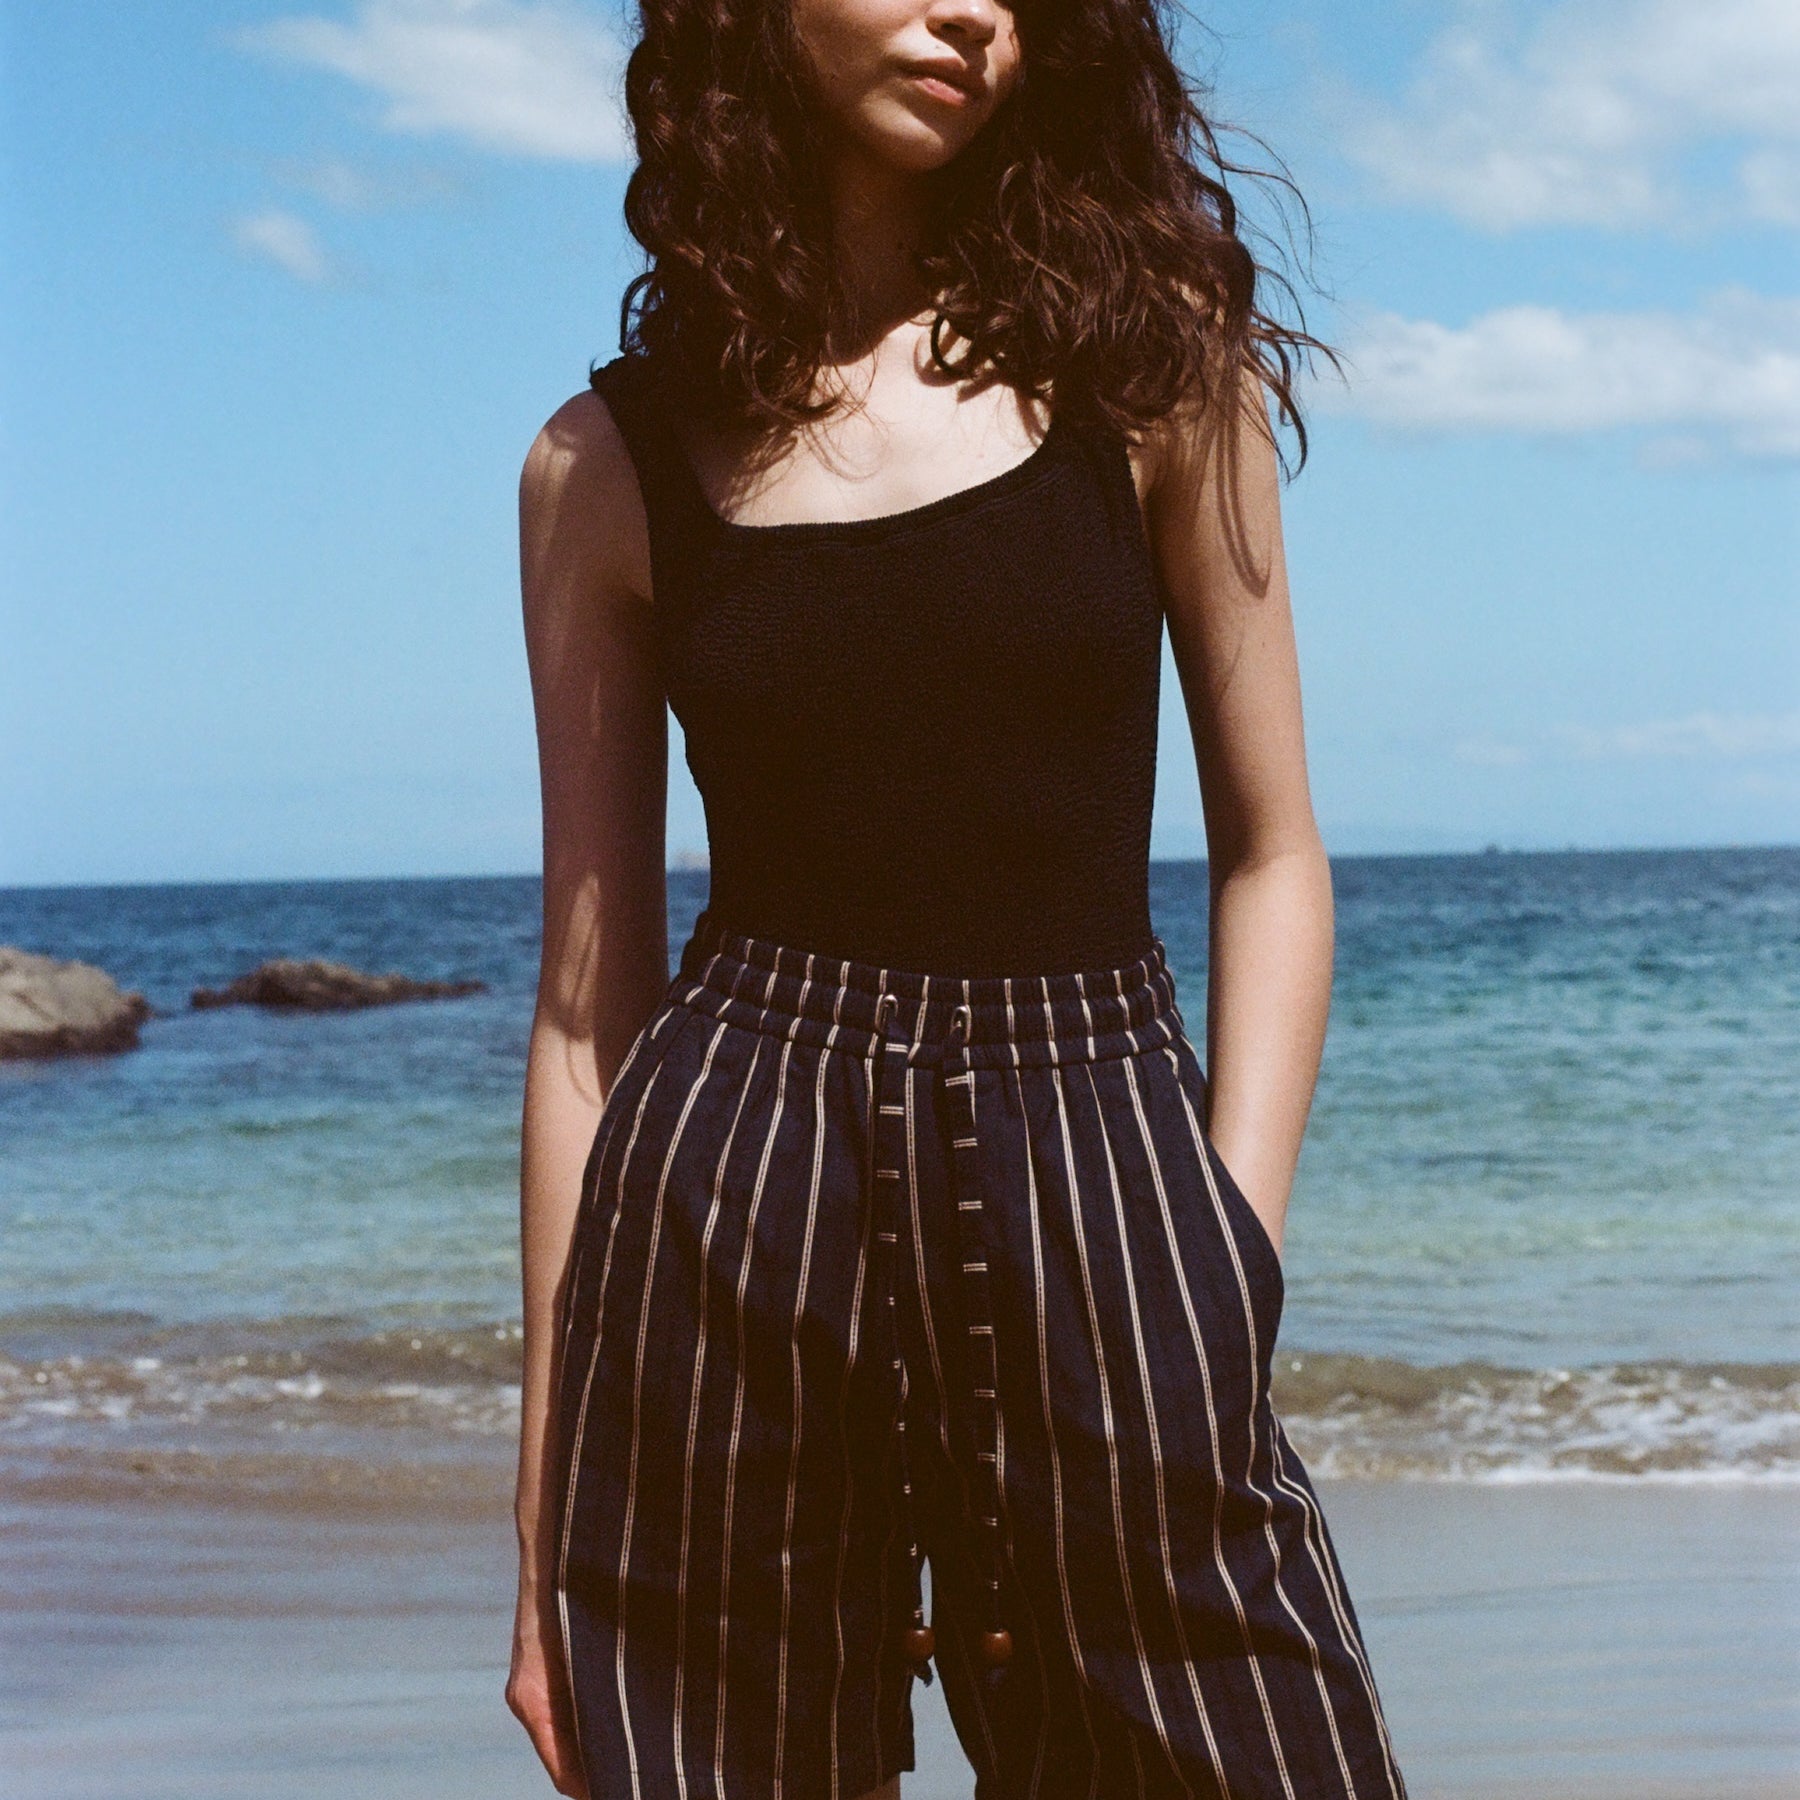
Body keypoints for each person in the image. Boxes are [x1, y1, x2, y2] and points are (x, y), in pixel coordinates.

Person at [506, 0, 1408, 1795]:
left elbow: (1272, 850)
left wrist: (1226, 1253)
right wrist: (543, 1528)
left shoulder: (1153, 374)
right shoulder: (598, 469)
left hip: (1104, 1162)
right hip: (733, 1196)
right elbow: (585, 1016)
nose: (974, 10)